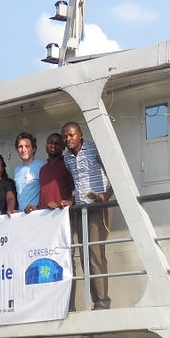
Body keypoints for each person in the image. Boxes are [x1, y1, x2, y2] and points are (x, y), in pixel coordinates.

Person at [62, 121, 112, 309]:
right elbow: (77, 184)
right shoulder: (67, 158)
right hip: (82, 207)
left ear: (80, 135)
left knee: (95, 253)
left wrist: (106, 196)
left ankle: (102, 302)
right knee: (85, 255)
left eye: (72, 135)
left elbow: (114, 173)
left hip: (99, 206)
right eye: (65, 136)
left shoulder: (94, 148)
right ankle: (95, 300)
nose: (68, 139)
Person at [30, 132, 74, 212]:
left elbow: (75, 191)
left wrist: (68, 202)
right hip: (45, 216)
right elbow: (44, 196)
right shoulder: (43, 169)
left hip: (62, 213)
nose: (52, 146)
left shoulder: (67, 164)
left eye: (56, 143)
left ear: (63, 147)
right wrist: (36, 208)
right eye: (50, 143)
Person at [13, 132, 46, 213]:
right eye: (20, 147)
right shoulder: (16, 170)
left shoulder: (42, 166)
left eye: (27, 146)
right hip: (21, 215)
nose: (23, 150)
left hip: (37, 213)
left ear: (33, 149)